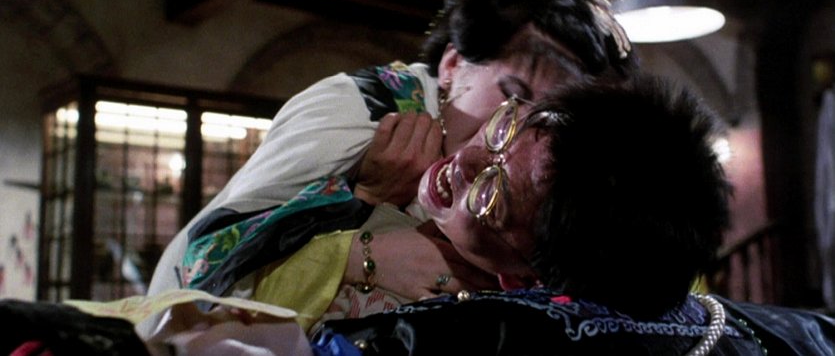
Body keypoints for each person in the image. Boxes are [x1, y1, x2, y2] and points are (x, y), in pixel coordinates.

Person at [141, 0, 638, 336]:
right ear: (452, 65)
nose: (512, 133)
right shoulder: (358, 111)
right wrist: (361, 237)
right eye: (510, 98)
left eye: (539, 118)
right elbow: (203, 264)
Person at [311, 76, 835, 356]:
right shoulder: (807, 333)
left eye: (493, 197)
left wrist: (354, 240)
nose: (466, 159)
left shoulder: (433, 339)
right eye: (506, 129)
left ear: (533, 280)